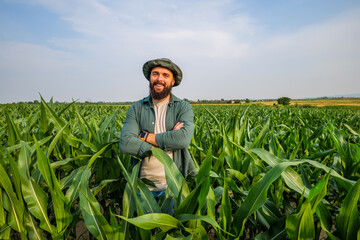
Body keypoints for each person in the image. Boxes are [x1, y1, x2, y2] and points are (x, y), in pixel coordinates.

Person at [119, 58, 195, 198]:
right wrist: (170, 139)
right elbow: (126, 143)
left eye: (166, 75)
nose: (159, 79)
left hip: (174, 186)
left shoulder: (183, 107)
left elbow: (183, 140)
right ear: (149, 78)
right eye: (155, 74)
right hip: (142, 187)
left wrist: (145, 136)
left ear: (173, 81)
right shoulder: (137, 108)